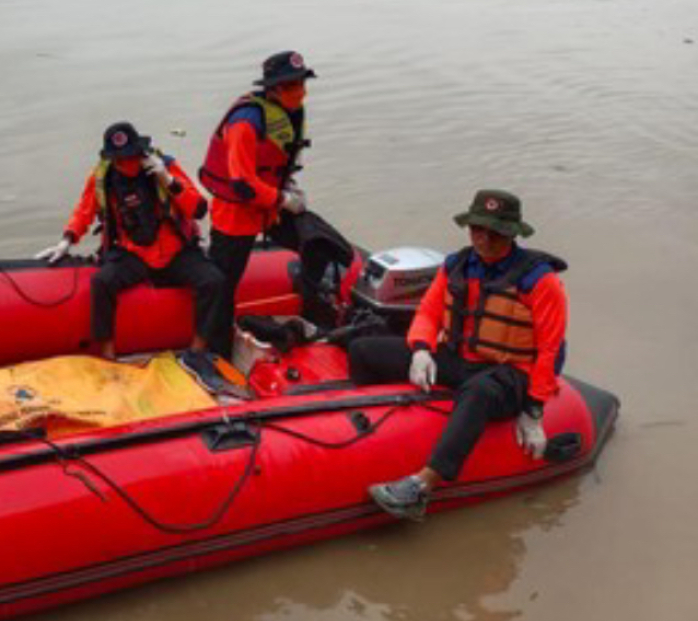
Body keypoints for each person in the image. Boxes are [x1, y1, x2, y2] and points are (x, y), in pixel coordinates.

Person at [349, 190, 569, 521]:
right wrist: (422, 349)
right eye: (478, 229)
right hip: (460, 358)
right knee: (363, 350)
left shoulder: (540, 281)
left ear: (512, 234)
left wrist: (534, 411)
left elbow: (552, 349)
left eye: (494, 232)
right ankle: (359, 437)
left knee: (479, 392)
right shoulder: (456, 266)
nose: (484, 238)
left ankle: (421, 488)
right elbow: (427, 313)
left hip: (511, 373)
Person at [35, 122, 229, 391]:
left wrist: (168, 181)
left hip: (174, 251)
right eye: (120, 158)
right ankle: (108, 356)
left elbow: (197, 208)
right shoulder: (102, 177)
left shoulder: (165, 166)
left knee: (214, 281)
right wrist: (67, 239)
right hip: (134, 253)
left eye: (132, 155)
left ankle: (196, 354)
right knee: (102, 283)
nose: (128, 162)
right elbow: (85, 210)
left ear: (142, 151)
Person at [200, 51, 341, 358]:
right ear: (274, 89)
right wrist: (282, 199)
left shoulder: (291, 111)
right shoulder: (246, 122)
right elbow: (241, 182)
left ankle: (315, 315)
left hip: (271, 210)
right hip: (236, 216)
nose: (301, 93)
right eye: (293, 87)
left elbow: (281, 158)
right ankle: (214, 354)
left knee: (321, 246)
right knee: (222, 288)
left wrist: (288, 187)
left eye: (302, 85)